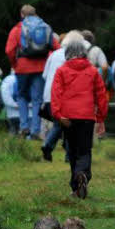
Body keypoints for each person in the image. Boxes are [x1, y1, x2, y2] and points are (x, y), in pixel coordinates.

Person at [50, 41, 108, 199]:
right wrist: (101, 117)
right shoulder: (92, 71)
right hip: (87, 117)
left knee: (72, 151)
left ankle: (76, 184)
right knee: (84, 150)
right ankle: (82, 175)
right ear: (84, 53)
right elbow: (101, 94)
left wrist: (58, 114)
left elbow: (56, 93)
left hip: (68, 117)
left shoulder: (61, 70)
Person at [5, 5, 60, 140]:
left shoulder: (17, 29)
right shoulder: (44, 27)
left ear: (22, 14)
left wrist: (14, 64)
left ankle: (24, 128)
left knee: (22, 96)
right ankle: (36, 130)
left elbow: (9, 50)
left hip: (22, 68)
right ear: (35, 14)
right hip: (41, 67)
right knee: (37, 99)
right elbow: (56, 47)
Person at [40, 30, 88, 162]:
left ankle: (49, 147)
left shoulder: (54, 54)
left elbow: (44, 76)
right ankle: (60, 151)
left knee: (61, 124)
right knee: (68, 125)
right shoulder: (75, 56)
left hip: (49, 95)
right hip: (64, 96)